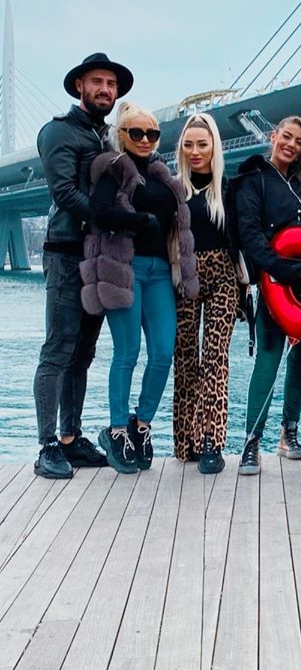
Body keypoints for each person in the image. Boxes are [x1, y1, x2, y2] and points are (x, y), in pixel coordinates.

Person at [81, 102, 199, 474]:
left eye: (152, 133)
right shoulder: (112, 169)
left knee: (163, 351)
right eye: (136, 132)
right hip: (124, 269)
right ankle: (116, 430)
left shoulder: (163, 174)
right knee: (127, 352)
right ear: (122, 134)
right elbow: (98, 213)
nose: (145, 139)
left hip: (161, 271)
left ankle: (141, 424)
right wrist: (138, 220)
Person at [33, 52, 134, 480]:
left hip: (98, 256)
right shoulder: (59, 131)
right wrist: (116, 219)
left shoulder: (105, 136)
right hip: (66, 251)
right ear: (80, 86)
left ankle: (71, 438)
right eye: (97, 82)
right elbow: (65, 193)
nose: (105, 90)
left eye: (111, 84)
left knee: (83, 352)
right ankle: (47, 446)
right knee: (58, 348)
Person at [231, 115, 301, 476]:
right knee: (268, 356)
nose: (291, 145)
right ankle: (252, 442)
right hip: (273, 282)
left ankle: (289, 432)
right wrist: (278, 268)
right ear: (273, 135)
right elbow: (249, 233)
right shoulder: (254, 179)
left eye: (299, 141)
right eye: (287, 137)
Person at [173, 113, 243, 475]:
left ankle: (211, 443)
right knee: (185, 358)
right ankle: (186, 441)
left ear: (215, 145)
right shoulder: (174, 190)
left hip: (223, 279)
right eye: (188, 145)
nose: (195, 151)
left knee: (215, 358)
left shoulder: (228, 189)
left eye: (202, 144)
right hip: (184, 277)